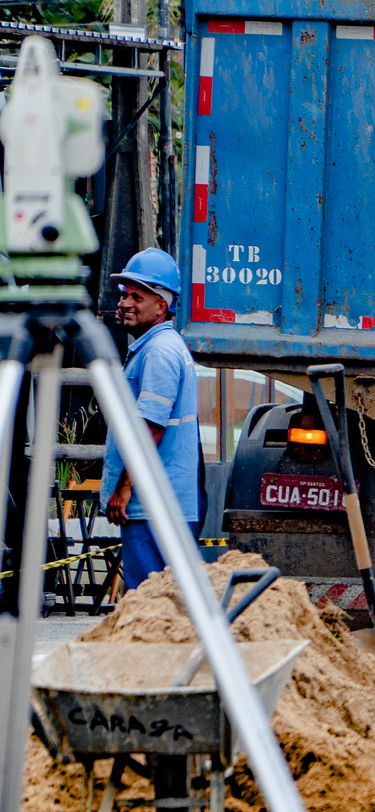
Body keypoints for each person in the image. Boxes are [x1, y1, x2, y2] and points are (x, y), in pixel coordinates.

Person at [100, 249, 202, 586]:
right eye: (124, 294)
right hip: (164, 504)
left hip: (154, 506)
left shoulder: (158, 352)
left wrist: (124, 490)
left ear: (161, 305)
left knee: (151, 602)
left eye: (136, 296)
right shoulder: (159, 347)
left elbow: (150, 427)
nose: (125, 303)